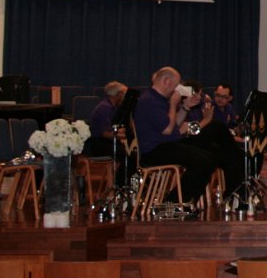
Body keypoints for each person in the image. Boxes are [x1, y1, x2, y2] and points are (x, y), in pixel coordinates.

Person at [131, 66, 220, 195]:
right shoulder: (150, 101)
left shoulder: (158, 99)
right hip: (153, 150)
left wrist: (185, 107)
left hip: (164, 145)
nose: (178, 89)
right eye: (177, 84)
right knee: (201, 162)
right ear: (167, 81)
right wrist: (173, 105)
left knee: (209, 158)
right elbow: (167, 129)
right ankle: (176, 199)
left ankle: (186, 198)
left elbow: (174, 124)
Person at [82, 81, 127, 160]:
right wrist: (126, 137)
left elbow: (112, 129)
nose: (124, 97)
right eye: (123, 94)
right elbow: (106, 134)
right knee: (126, 153)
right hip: (99, 144)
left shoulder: (111, 106)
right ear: (118, 94)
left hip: (104, 142)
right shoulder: (105, 107)